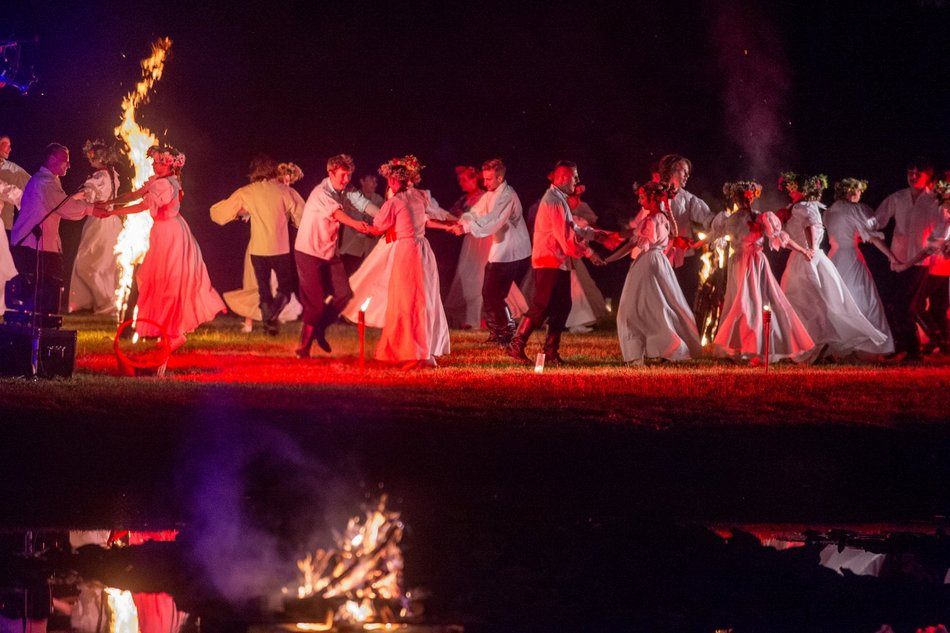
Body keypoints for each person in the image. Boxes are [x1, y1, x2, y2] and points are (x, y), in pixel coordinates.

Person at [97, 145, 225, 351]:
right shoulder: (160, 181)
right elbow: (135, 195)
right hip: (166, 231)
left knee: (167, 280)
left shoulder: (165, 184)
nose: (154, 165)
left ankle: (175, 333)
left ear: (169, 165)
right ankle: (171, 332)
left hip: (170, 234)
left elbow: (142, 206)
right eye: (155, 162)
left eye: (159, 162)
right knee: (161, 280)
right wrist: (110, 203)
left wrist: (112, 212)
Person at [505, 160, 606, 366]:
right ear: (564, 178)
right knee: (542, 305)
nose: (577, 181)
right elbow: (565, 238)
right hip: (549, 260)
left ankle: (551, 352)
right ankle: (517, 344)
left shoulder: (559, 199)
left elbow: (571, 229)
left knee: (562, 305)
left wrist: (594, 235)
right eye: (575, 177)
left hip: (557, 261)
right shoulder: (553, 201)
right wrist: (587, 252)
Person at [779, 174, 888, 359]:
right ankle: (812, 346)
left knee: (807, 301)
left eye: (792, 187)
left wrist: (810, 248)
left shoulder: (803, 206)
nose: (789, 191)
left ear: (802, 189)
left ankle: (815, 345)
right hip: (805, 256)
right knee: (809, 301)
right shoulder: (798, 207)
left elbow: (809, 225)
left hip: (807, 257)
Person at [711, 180, 815, 363]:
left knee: (756, 301)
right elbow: (713, 238)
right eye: (743, 196)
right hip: (739, 263)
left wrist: (803, 250)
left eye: (746, 196)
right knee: (741, 302)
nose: (745, 200)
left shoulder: (760, 217)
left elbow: (781, 238)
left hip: (754, 262)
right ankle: (743, 347)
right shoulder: (730, 219)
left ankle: (755, 347)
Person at [365, 155, 452, 368]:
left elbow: (379, 225)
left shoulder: (395, 202)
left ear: (393, 181)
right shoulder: (420, 196)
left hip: (408, 251)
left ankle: (415, 353)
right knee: (426, 299)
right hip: (423, 249)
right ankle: (424, 352)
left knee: (408, 301)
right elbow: (427, 218)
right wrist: (449, 223)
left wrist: (366, 228)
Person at [211, 154, 304, 335]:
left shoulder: (248, 191)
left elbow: (218, 213)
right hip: (279, 249)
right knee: (285, 290)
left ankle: (269, 323)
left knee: (264, 291)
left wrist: (236, 213)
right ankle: (271, 319)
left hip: (258, 250)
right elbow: (302, 215)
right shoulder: (285, 191)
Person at [294, 154, 376, 358]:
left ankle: (320, 328)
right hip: (308, 252)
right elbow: (336, 214)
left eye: (349, 175)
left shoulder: (347, 190)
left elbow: (364, 204)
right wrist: (357, 224)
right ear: (330, 173)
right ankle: (303, 348)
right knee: (315, 304)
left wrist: (386, 215)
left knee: (344, 294)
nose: (346, 180)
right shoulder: (320, 192)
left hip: (329, 252)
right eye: (342, 175)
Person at [614, 181, 702, 364]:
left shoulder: (650, 220)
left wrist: (609, 259)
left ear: (653, 198)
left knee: (632, 309)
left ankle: (643, 350)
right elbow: (672, 234)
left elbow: (634, 244)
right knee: (662, 305)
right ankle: (666, 346)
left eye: (642, 197)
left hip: (647, 263)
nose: (639, 201)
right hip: (661, 263)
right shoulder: (663, 217)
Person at [450, 159, 531, 345]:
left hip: (510, 251)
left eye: (488, 179)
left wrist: (465, 228)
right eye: (484, 178)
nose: (484, 182)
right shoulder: (490, 194)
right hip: (499, 249)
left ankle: (506, 332)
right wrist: (462, 222)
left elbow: (493, 220)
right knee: (490, 293)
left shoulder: (508, 195)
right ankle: (500, 332)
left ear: (499, 178)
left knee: (494, 294)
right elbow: (476, 212)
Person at [875, 158, 942, 361]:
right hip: (897, 261)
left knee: (904, 305)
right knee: (891, 304)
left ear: (927, 176)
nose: (913, 176)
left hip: (919, 262)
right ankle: (902, 346)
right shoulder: (897, 197)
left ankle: (913, 351)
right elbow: (877, 220)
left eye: (917, 173)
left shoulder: (935, 201)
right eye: (910, 172)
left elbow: (940, 234)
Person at [824, 178, 897, 356]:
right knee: (863, 299)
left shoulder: (829, 211)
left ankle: (844, 343)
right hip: (850, 257)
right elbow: (873, 236)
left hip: (833, 259)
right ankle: (867, 346)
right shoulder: (854, 210)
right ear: (851, 192)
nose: (859, 196)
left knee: (839, 301)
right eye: (859, 192)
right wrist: (891, 256)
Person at [11, 143, 93, 289]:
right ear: (52, 159)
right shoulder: (44, 181)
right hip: (32, 248)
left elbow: (56, 202)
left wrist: (75, 198)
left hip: (38, 248)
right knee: (42, 291)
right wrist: (91, 209)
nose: (69, 165)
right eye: (65, 160)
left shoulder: (49, 180)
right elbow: (64, 208)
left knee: (46, 290)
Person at [891, 175, 950, 355]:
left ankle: (937, 339)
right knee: (935, 307)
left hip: (936, 265)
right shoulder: (937, 205)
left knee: (917, 305)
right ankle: (941, 340)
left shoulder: (941, 206)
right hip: (937, 264)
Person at [67, 140, 122, 315]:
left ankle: (105, 302)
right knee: (105, 264)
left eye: (92, 157)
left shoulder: (99, 177)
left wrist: (68, 200)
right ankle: (98, 301)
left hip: (99, 221)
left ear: (101, 158)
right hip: (113, 221)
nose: (90, 159)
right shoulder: (112, 175)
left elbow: (87, 195)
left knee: (87, 263)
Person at [658, 154, 715, 306]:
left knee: (684, 296)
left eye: (688, 172)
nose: (687, 176)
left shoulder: (688, 198)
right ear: (671, 171)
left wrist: (726, 222)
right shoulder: (656, 194)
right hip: (661, 255)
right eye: (684, 171)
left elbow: (707, 218)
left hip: (683, 257)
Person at [442, 165, 488, 329]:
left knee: (477, 278)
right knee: (467, 276)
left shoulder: (484, 197)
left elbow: (481, 218)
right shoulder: (463, 199)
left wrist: (463, 218)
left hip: (481, 241)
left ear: (474, 179)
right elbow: (451, 215)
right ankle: (473, 319)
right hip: (469, 241)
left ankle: (476, 320)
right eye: (459, 180)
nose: (461, 183)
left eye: (464, 179)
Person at [339, 173, 384, 275]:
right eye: (371, 180)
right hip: (352, 246)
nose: (374, 184)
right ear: (362, 181)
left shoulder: (379, 200)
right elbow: (352, 220)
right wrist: (369, 229)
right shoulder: (352, 196)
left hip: (370, 249)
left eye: (376, 181)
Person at [0, 135, 31, 236]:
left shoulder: (13, 169)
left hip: (5, 227)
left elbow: (33, 184)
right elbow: (4, 190)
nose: (10, 149)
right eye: (6, 144)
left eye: (10, 145)